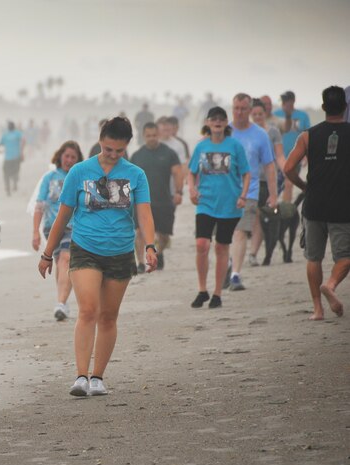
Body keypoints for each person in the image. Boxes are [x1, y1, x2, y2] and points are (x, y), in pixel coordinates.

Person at [37, 117, 157, 398]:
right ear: (100, 140)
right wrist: (46, 254)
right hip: (85, 248)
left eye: (119, 151)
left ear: (127, 146)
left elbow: (144, 213)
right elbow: (63, 214)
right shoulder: (79, 172)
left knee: (108, 316)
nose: (113, 156)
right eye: (107, 149)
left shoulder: (136, 174)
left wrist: (150, 246)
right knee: (88, 309)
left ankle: (97, 377)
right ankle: (80, 376)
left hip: (121, 252)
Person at [284, 86, 350, 320]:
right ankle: (331, 285)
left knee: (314, 258)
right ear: (345, 106)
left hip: (314, 205)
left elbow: (288, 168)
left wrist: (303, 186)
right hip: (343, 206)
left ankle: (317, 309)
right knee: (344, 256)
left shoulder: (308, 135)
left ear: (323, 108)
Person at [187, 106, 250, 309]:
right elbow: (191, 172)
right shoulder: (201, 147)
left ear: (226, 123)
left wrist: (243, 195)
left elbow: (247, 173)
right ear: (207, 123)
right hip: (205, 203)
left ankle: (217, 294)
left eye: (221, 119)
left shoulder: (235, 146)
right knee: (201, 245)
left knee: (222, 247)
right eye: (213, 119)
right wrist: (192, 190)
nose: (217, 122)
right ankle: (202, 290)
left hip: (230, 204)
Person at [227, 93, 277, 291]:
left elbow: (269, 166)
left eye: (243, 109)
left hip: (249, 191)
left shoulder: (260, 135)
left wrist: (273, 195)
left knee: (240, 232)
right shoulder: (224, 132)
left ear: (250, 110)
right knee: (224, 236)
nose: (239, 113)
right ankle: (229, 264)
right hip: (223, 193)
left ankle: (235, 275)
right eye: (236, 108)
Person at [32, 141, 84, 321]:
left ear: (78, 160)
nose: (69, 160)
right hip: (51, 227)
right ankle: (63, 302)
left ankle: (60, 303)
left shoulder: (79, 177)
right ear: (60, 156)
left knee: (66, 258)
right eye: (67, 156)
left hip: (73, 226)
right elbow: (39, 205)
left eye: (73, 157)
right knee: (60, 261)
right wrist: (35, 232)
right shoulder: (50, 177)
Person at [131, 122, 183, 272]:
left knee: (163, 234)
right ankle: (140, 262)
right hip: (142, 202)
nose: (152, 138)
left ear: (158, 135)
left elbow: (177, 173)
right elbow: (129, 179)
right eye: (148, 136)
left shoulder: (169, 153)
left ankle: (159, 253)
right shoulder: (137, 156)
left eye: (154, 135)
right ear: (143, 136)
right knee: (140, 232)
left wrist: (179, 192)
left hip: (164, 200)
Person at [248, 98, 287, 265]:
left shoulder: (273, 132)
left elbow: (279, 155)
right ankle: (251, 251)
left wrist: (286, 170)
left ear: (266, 114)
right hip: (248, 181)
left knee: (262, 215)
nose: (257, 117)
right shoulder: (246, 132)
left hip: (268, 181)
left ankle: (253, 253)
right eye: (254, 114)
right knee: (254, 215)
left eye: (260, 114)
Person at [274, 91, 311, 201]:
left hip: (295, 156)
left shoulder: (303, 116)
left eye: (288, 102)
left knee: (289, 184)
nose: (286, 104)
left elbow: (308, 135)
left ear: (293, 101)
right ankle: (272, 210)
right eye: (284, 102)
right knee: (275, 186)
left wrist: (306, 156)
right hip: (277, 157)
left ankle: (286, 212)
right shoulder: (276, 115)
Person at [0, 121, 25, 196]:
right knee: (15, 172)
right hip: (16, 157)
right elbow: (23, 140)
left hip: (8, 158)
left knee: (6, 174)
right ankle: (14, 184)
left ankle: (8, 188)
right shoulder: (17, 133)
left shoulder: (5, 135)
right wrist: (22, 152)